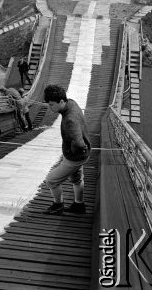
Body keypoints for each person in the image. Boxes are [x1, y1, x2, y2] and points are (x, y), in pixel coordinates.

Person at [43, 84, 91, 215]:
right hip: (83, 155)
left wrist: (71, 150)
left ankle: (58, 205)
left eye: (52, 104)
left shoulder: (70, 119)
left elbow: (79, 144)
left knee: (51, 180)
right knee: (77, 179)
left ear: (62, 101)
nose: (50, 107)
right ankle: (79, 205)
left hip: (75, 157)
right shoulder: (72, 103)